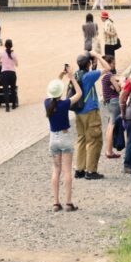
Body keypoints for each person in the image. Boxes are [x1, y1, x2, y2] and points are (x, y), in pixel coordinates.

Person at [46, 71, 83, 212]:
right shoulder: (65, 104)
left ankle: (55, 202)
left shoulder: (47, 103)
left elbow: (53, 91)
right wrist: (72, 78)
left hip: (53, 138)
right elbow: (78, 93)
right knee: (67, 171)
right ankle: (68, 202)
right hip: (65, 137)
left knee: (56, 170)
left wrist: (59, 76)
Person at [74, 51, 109, 180]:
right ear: (88, 63)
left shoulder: (76, 74)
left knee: (82, 139)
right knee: (94, 140)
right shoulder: (88, 76)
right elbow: (107, 68)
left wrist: (92, 64)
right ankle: (91, 170)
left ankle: (80, 169)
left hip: (79, 112)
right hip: (90, 111)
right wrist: (98, 56)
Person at [100, 56, 122, 159]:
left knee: (110, 125)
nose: (114, 65)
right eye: (113, 63)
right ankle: (109, 151)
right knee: (112, 125)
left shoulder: (104, 77)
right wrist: (118, 84)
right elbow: (118, 89)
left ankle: (108, 150)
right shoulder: (110, 75)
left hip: (109, 102)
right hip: (114, 101)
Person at [0, 39, 19, 111]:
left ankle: (7, 107)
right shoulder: (14, 54)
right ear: (11, 45)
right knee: (13, 89)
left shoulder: (2, 53)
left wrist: (1, 63)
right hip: (12, 73)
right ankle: (14, 105)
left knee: (5, 90)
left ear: (5, 45)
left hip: (4, 73)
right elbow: (17, 64)